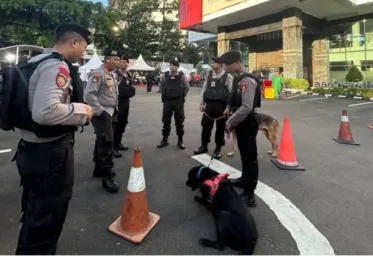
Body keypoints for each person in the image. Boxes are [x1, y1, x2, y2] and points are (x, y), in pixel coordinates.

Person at [13, 23, 93, 254]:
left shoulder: (34, 61)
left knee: (34, 211)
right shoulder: (56, 66)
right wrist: (82, 111)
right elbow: (45, 111)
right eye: (84, 46)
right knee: (47, 218)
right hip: (50, 154)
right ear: (74, 42)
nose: (84, 52)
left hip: (30, 149)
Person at [221, 50, 260, 207]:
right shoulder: (238, 79)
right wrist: (228, 109)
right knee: (244, 155)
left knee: (250, 158)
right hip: (241, 121)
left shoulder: (247, 81)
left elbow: (246, 107)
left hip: (248, 121)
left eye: (228, 65)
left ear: (237, 62)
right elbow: (236, 100)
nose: (227, 68)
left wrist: (230, 121)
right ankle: (244, 180)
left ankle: (250, 194)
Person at [84, 53, 120, 193]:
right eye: (115, 60)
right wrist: (100, 110)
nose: (117, 62)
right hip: (102, 113)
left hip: (111, 112)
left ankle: (98, 169)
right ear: (106, 60)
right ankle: (107, 176)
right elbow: (89, 94)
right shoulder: (98, 74)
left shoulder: (111, 74)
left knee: (102, 140)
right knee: (107, 142)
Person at [194, 56, 233, 159]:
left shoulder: (228, 77)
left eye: (214, 62)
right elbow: (204, 89)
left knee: (220, 129)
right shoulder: (209, 75)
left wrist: (228, 107)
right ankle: (203, 146)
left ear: (219, 64)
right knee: (205, 127)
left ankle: (218, 149)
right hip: (209, 106)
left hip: (221, 107)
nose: (212, 64)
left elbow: (231, 94)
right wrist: (202, 103)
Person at [157, 60, 190, 149]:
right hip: (167, 101)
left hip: (178, 101)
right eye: (170, 65)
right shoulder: (166, 75)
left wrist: (183, 96)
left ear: (177, 67)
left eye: (174, 65)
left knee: (179, 121)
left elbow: (187, 87)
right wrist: (164, 94)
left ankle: (180, 140)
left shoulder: (182, 76)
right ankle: (164, 139)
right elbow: (161, 85)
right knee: (166, 121)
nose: (172, 67)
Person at [113, 57, 136, 157]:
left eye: (126, 63)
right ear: (119, 64)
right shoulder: (116, 75)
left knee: (123, 123)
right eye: (123, 62)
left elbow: (131, 88)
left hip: (126, 102)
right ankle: (113, 147)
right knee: (116, 124)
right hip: (118, 102)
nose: (125, 64)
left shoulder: (128, 75)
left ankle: (118, 143)